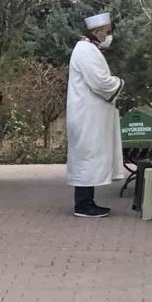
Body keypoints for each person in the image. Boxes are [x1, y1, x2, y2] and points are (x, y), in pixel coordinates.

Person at [66, 12, 124, 218]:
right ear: (97, 31)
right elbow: (100, 82)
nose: (109, 36)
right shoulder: (86, 50)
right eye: (107, 32)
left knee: (88, 156)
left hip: (88, 115)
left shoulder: (87, 49)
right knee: (87, 156)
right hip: (87, 116)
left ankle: (87, 201)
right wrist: (119, 82)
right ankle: (83, 204)